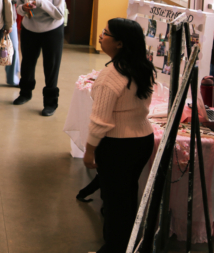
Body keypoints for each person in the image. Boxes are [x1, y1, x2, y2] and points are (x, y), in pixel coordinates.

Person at [83, 19, 155, 253]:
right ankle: (127, 245)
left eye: (106, 34)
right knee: (127, 196)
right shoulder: (143, 67)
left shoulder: (110, 75)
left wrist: (90, 151)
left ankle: (114, 248)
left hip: (117, 146)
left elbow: (100, 122)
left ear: (120, 43)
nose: (101, 37)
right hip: (142, 141)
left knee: (115, 203)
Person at [13, 0, 65, 116]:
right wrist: (25, 7)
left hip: (52, 31)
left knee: (51, 66)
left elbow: (59, 14)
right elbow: (19, 8)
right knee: (27, 63)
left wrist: (42, 3)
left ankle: (50, 103)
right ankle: (25, 93)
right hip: (30, 29)